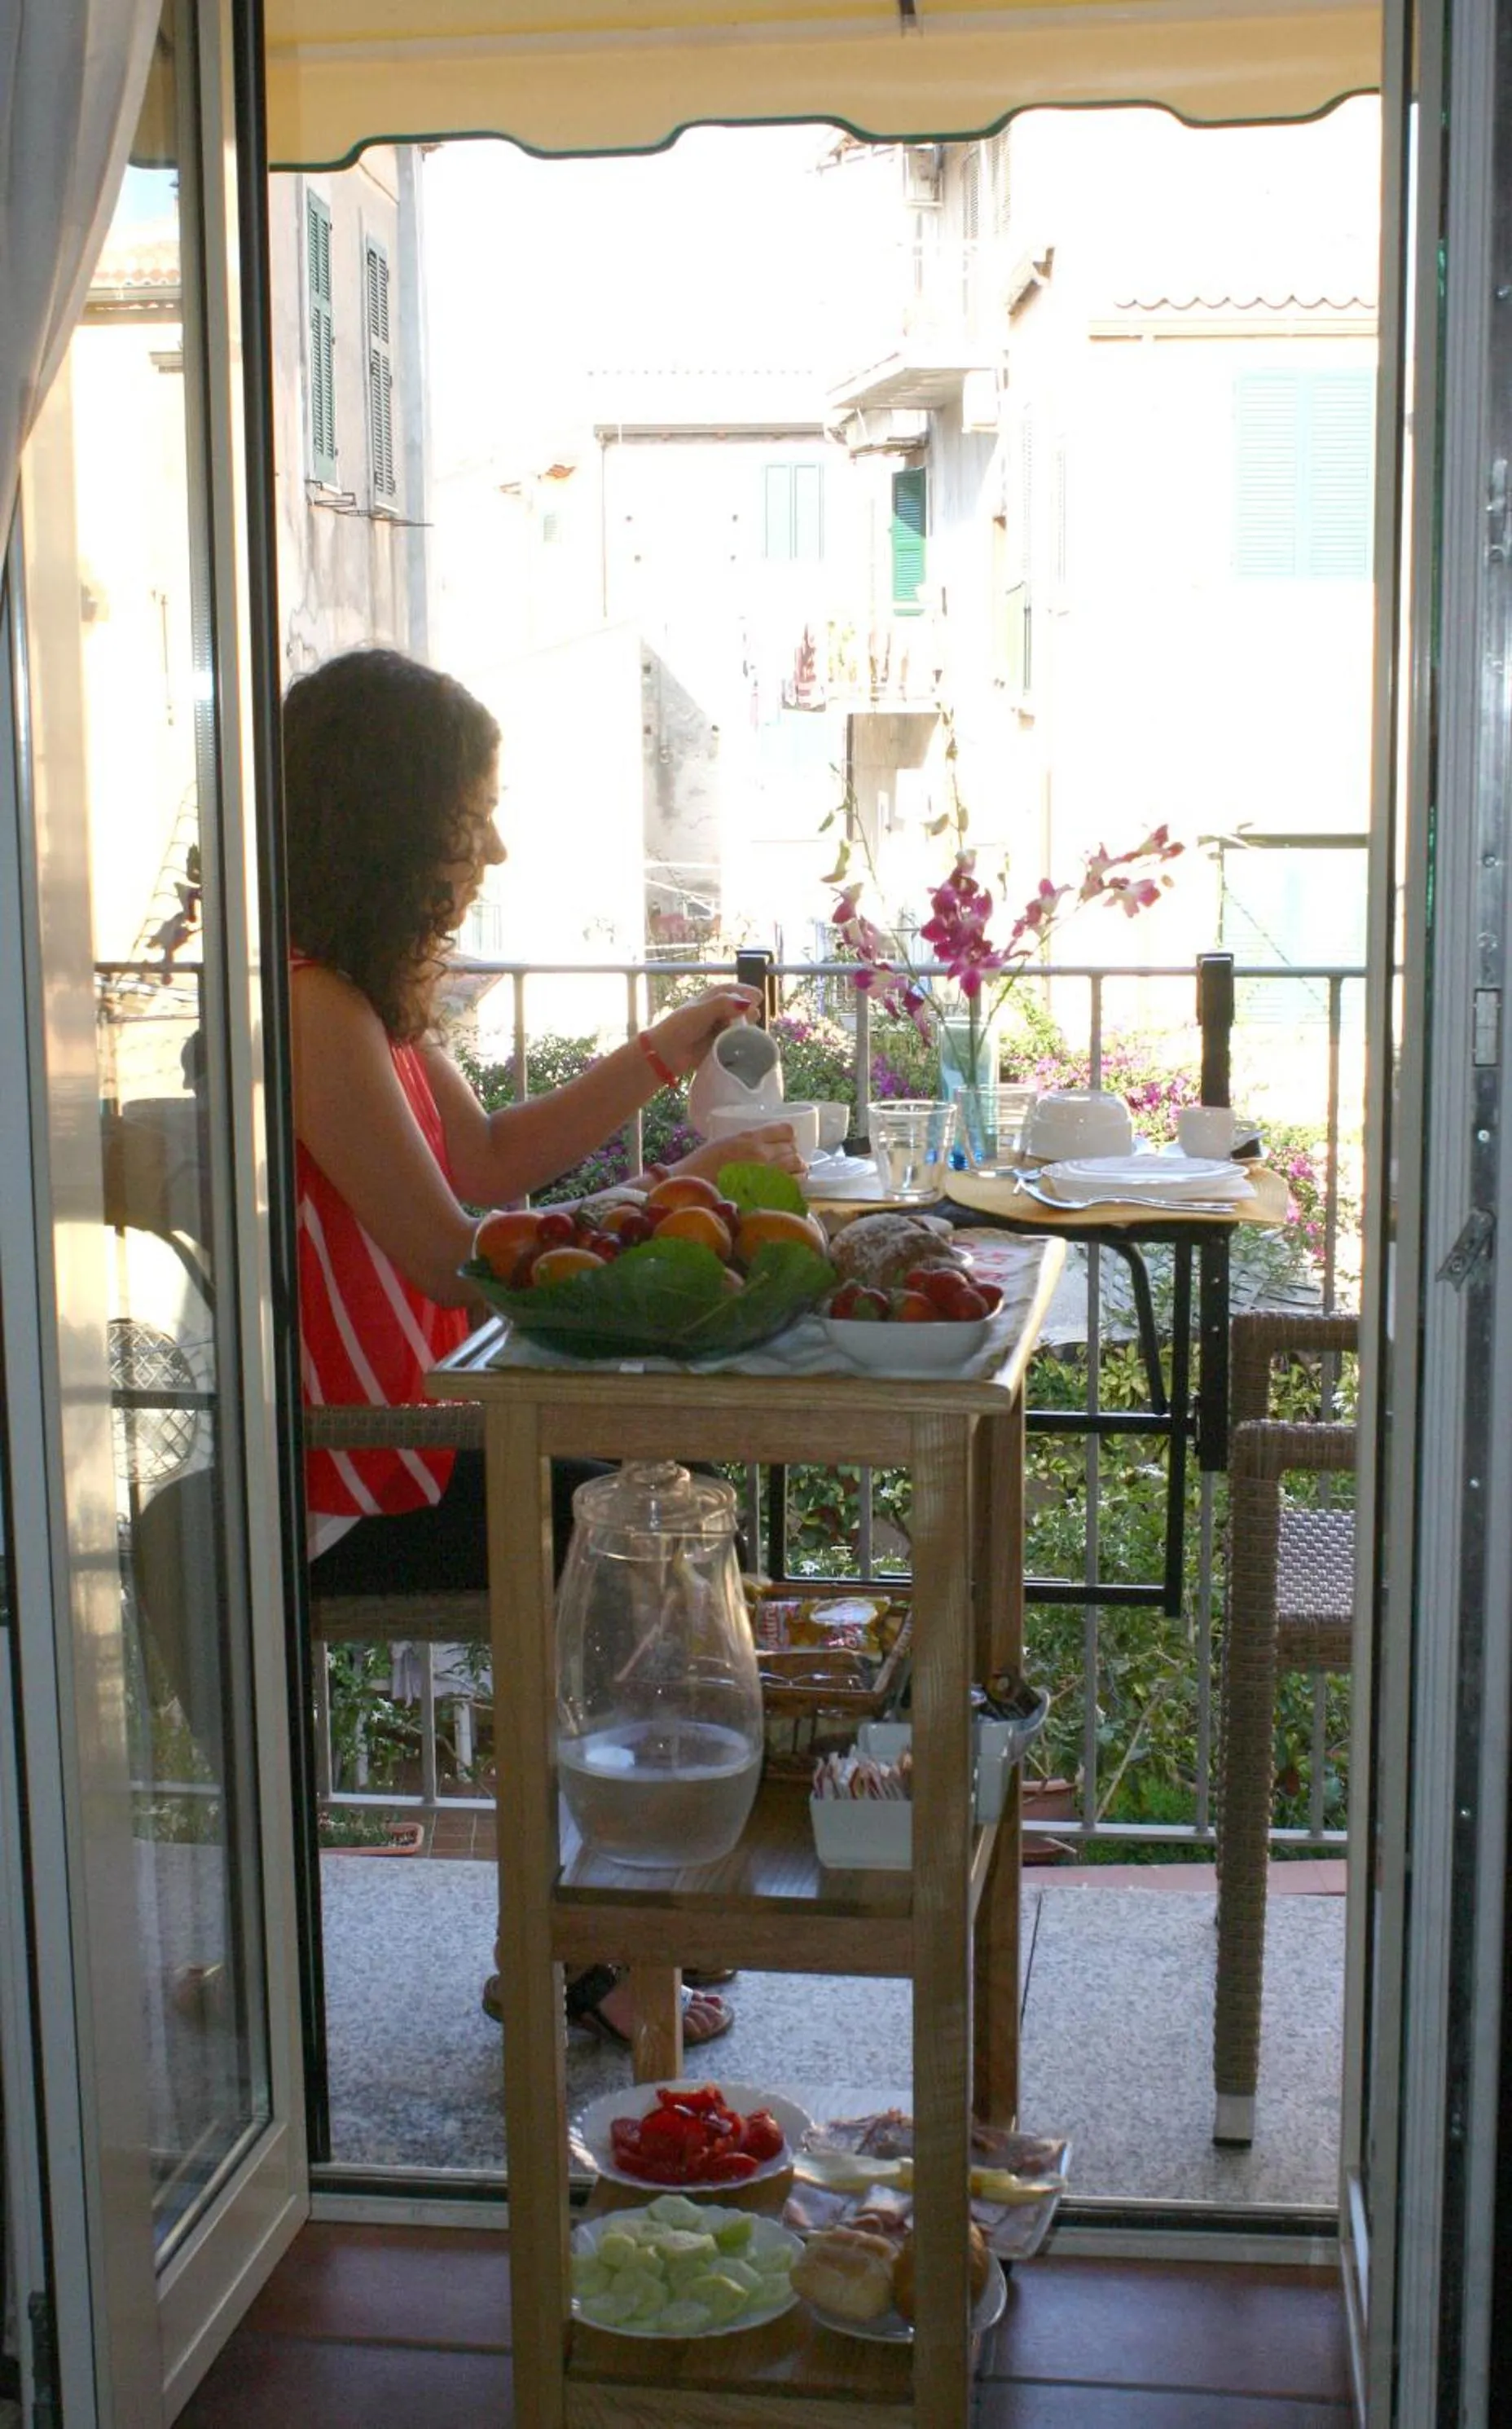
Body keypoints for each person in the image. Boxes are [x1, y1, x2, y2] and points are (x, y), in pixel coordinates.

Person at [285, 646, 801, 2047]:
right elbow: (447, 1249)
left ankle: (593, 1928)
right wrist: (660, 1214)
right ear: (391, 824)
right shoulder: (314, 1006)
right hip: (359, 1475)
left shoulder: (354, 1000)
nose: (493, 850)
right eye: (473, 818)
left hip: (420, 1439)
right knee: (658, 1525)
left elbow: (492, 1160)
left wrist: (662, 1056)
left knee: (669, 1500)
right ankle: (600, 1944)